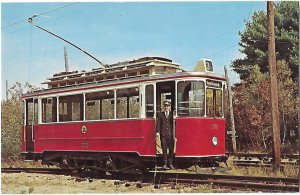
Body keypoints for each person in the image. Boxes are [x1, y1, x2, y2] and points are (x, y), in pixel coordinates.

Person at [156, 100, 175, 169]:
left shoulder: (172, 114)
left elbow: (174, 124)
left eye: (168, 106)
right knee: (164, 149)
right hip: (163, 135)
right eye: (165, 106)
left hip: (170, 135)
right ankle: (165, 164)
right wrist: (157, 132)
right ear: (164, 107)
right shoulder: (160, 114)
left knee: (171, 149)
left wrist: (175, 134)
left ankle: (170, 164)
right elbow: (158, 124)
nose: (166, 107)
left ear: (170, 107)